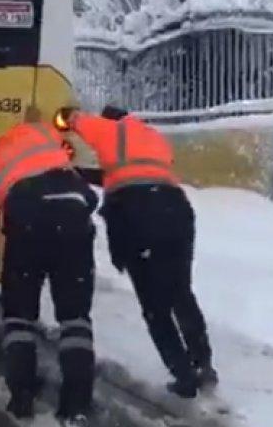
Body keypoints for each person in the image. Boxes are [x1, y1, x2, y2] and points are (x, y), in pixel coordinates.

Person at [60, 105, 215, 398]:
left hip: (135, 214)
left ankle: (183, 375)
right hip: (175, 208)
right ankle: (203, 364)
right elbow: (128, 172)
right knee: (180, 292)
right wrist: (82, 172)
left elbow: (71, 119)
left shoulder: (108, 128)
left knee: (154, 305)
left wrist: (63, 124)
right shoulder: (152, 136)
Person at [0, 115, 99, 421]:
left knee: (19, 316)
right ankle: (78, 400)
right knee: (75, 317)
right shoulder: (44, 134)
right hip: (75, 218)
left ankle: (22, 395)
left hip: (28, 226)